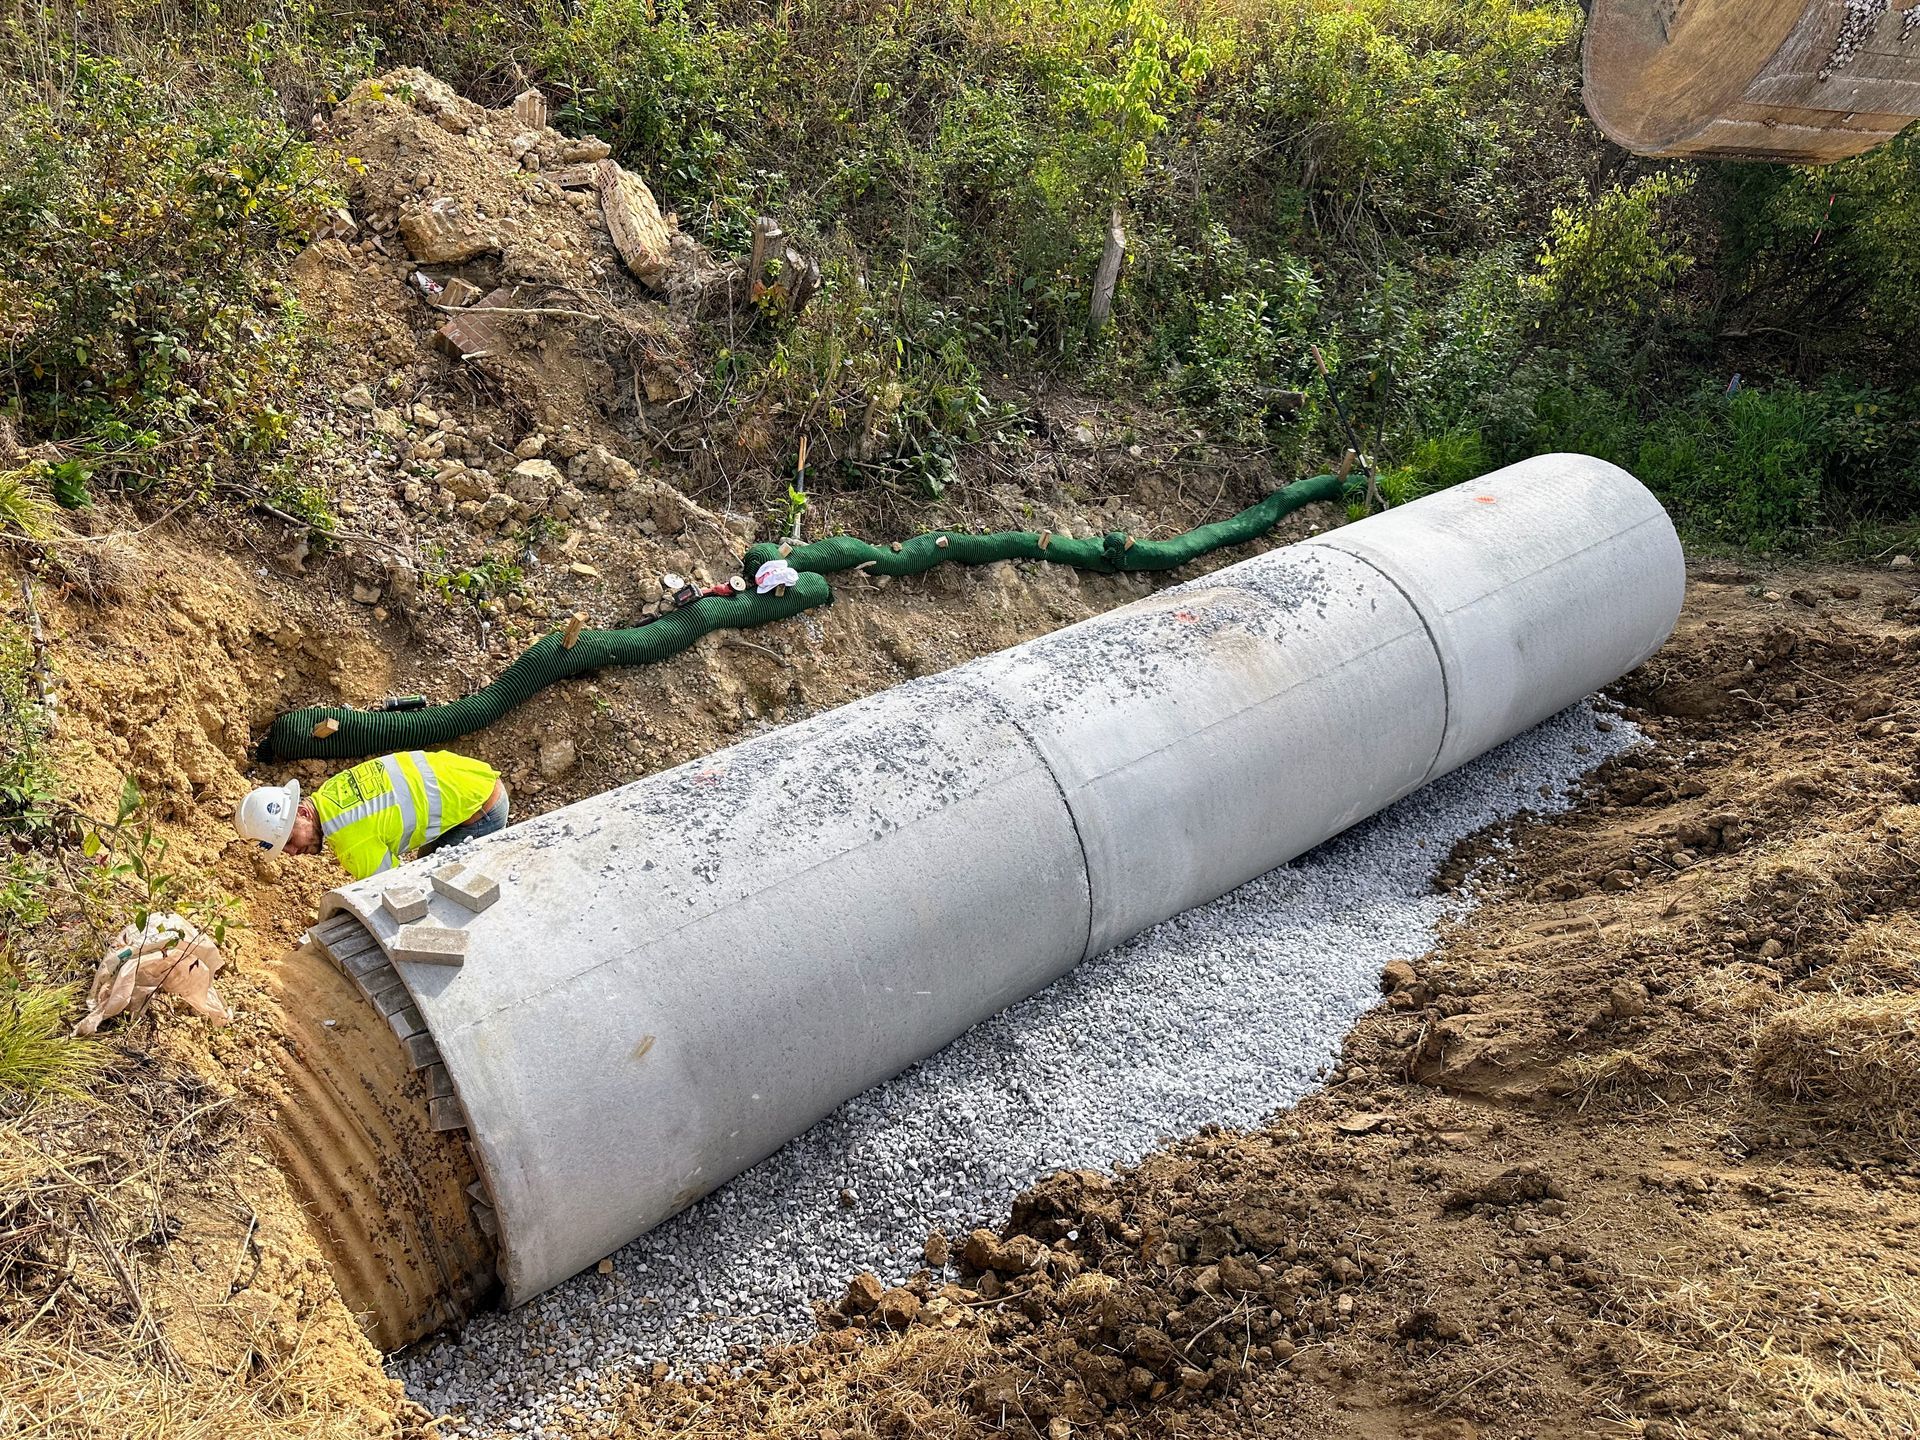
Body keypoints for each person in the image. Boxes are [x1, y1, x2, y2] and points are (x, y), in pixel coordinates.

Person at [235, 750, 508, 880]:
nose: (293, 852)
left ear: (303, 812)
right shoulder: (329, 792)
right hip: (471, 780)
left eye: (290, 840)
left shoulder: (350, 841)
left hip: (481, 810)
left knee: (438, 887)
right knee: (427, 865)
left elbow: (391, 887)